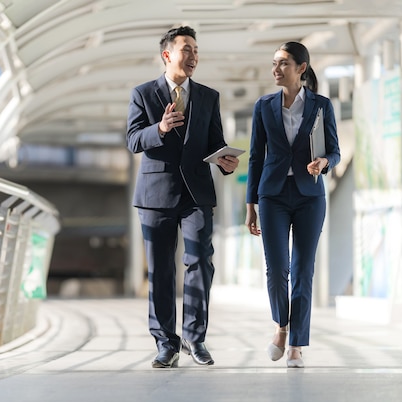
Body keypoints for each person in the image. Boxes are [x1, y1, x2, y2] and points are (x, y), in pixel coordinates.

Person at [127, 26, 239, 368]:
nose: (193, 57)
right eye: (186, 50)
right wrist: (159, 129)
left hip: (197, 195)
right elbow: (133, 140)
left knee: (200, 261)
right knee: (161, 270)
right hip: (155, 194)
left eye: (195, 51)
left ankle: (195, 337)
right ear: (167, 55)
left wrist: (225, 161)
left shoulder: (208, 96)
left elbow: (214, 142)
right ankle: (165, 342)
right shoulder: (143, 93)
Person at [245, 41, 340, 368]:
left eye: (283, 63)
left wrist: (323, 163)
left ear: (301, 68)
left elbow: (335, 152)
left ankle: (297, 344)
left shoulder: (321, 105)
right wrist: (250, 203)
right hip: (272, 195)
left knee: (302, 270)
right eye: (275, 63)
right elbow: (256, 156)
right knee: (277, 270)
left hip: (309, 196)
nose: (276, 69)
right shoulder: (263, 105)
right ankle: (281, 326)